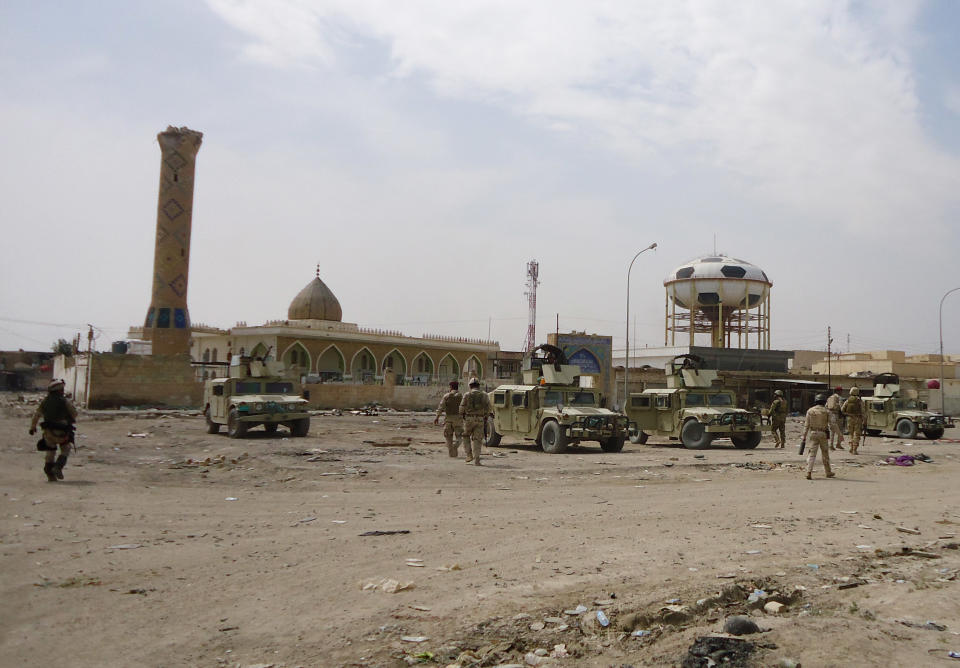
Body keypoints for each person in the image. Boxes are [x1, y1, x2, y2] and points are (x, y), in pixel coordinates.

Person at [28, 379, 78, 482]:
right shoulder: (64, 401)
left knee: (50, 452)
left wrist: (33, 427)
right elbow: (74, 414)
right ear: (59, 390)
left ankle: (49, 473)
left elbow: (37, 415)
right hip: (62, 432)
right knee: (66, 449)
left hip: (49, 432)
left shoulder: (45, 401)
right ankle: (58, 467)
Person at [459, 377, 491, 466]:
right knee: (477, 439)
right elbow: (489, 408)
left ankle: (469, 455)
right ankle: (477, 459)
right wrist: (485, 417)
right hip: (480, 419)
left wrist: (462, 416)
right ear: (478, 385)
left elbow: (461, 407)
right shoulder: (484, 395)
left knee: (465, 436)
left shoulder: (467, 394)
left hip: (469, 419)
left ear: (470, 386)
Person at [802, 393, 835, 480]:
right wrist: (839, 435)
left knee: (812, 454)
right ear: (824, 402)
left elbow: (806, 425)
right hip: (823, 434)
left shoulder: (810, 411)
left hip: (813, 434)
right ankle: (828, 472)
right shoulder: (827, 411)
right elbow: (833, 424)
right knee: (825, 454)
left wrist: (804, 436)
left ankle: (808, 472)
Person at [434, 381, 464, 457]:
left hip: (448, 419)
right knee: (460, 437)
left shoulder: (446, 396)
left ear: (451, 387)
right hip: (458, 419)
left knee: (448, 438)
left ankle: (452, 454)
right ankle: (455, 446)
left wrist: (437, 417)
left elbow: (441, 407)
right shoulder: (461, 396)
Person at [841, 386, 865, 454]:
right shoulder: (859, 401)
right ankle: (854, 449)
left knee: (850, 434)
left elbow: (842, 410)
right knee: (857, 434)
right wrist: (864, 420)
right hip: (858, 419)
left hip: (849, 419)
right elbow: (863, 411)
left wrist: (848, 414)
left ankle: (851, 447)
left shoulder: (847, 400)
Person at [825, 386, 845, 451]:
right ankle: (838, 444)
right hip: (837, 415)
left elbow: (826, 406)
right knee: (840, 430)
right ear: (838, 391)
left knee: (832, 431)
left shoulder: (830, 397)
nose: (842, 392)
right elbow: (842, 408)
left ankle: (831, 445)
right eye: (841, 391)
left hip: (830, 414)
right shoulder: (839, 398)